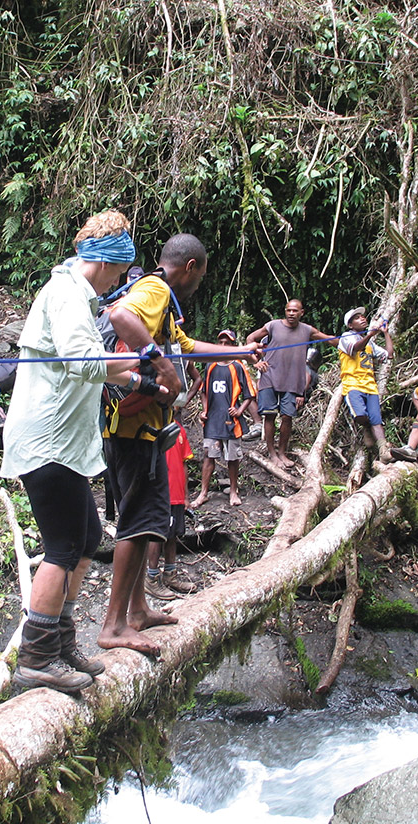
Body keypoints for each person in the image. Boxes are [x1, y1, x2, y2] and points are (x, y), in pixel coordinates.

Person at [0, 210, 142, 693]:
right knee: (62, 548)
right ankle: (37, 657)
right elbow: (85, 362)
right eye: (121, 273)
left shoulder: (76, 295)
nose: (120, 282)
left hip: (64, 443)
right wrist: (143, 363)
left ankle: (60, 642)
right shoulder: (65, 295)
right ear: (106, 264)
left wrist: (143, 374)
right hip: (46, 441)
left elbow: (97, 366)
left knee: (85, 538)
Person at [101, 234, 261, 655]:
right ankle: (113, 625)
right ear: (190, 266)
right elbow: (120, 317)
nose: (199, 284)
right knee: (137, 527)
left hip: (141, 433)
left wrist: (242, 351)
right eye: (201, 275)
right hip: (135, 434)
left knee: (144, 522)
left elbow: (189, 347)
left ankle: (136, 611)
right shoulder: (154, 290)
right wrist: (164, 367)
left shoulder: (163, 302)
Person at [246, 299, 333, 468]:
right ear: (285, 311)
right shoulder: (273, 325)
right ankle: (272, 454)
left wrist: (354, 337)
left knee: (287, 417)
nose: (291, 313)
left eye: (295, 311)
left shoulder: (307, 330)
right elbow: (251, 337)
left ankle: (282, 453)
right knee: (269, 415)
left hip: (293, 380)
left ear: (302, 313)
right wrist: (255, 360)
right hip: (269, 376)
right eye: (289, 310)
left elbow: (329, 339)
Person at [190, 329, 254, 508]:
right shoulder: (210, 365)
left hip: (231, 421)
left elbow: (249, 394)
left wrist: (239, 410)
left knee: (232, 457)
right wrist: (204, 410)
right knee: (208, 455)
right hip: (212, 420)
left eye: (228, 343)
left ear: (233, 345)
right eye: (221, 342)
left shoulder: (238, 366)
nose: (224, 346)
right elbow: (204, 392)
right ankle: (203, 493)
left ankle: (233, 491)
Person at [145, 425, 199, 600]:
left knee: (173, 534)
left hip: (176, 494)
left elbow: (183, 463)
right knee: (157, 535)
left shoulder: (180, 430)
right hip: (160, 493)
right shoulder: (152, 428)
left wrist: (185, 496)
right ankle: (151, 577)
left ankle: (170, 573)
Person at [336, 306, 394, 463]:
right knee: (360, 414)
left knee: (376, 419)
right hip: (353, 384)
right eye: (357, 318)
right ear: (350, 325)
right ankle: (366, 428)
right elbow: (356, 348)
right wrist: (370, 335)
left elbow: (389, 355)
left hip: (370, 386)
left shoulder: (371, 345)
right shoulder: (346, 338)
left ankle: (383, 450)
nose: (362, 319)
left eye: (363, 316)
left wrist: (385, 333)